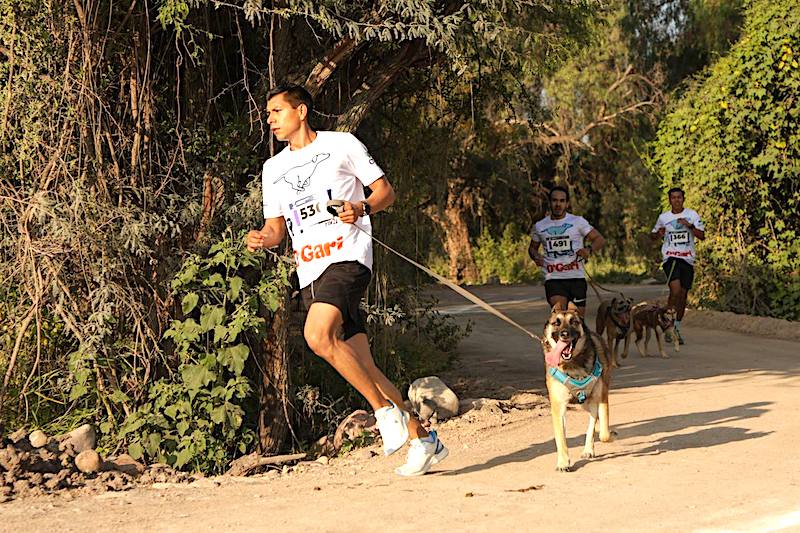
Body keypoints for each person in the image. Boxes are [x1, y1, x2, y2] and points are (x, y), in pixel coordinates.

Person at [246, 84, 447, 476]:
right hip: (310, 269)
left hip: (349, 256)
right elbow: (275, 229)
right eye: (267, 113)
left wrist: (361, 206)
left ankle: (382, 412)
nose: (269, 119)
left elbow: (384, 192)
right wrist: (262, 238)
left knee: (317, 336)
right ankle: (424, 438)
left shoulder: (342, 144)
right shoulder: (273, 169)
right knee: (363, 364)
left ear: (301, 111)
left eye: (276, 111)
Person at [528, 186, 606, 317]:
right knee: (561, 317)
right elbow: (532, 248)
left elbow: (599, 239)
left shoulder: (577, 222)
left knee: (576, 322)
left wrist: (588, 250)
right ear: (550, 203)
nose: (558, 204)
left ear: (567, 203)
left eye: (562, 201)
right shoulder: (540, 226)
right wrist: (536, 256)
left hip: (576, 278)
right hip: (554, 278)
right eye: (554, 200)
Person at [651, 187, 705, 345]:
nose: (676, 200)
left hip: (687, 259)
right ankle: (667, 323)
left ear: (683, 199)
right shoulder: (663, 217)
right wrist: (658, 234)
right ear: (669, 200)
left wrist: (689, 226)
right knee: (675, 290)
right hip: (671, 258)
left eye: (679, 197)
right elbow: (653, 236)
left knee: (683, 295)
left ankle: (676, 327)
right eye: (673, 197)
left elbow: (702, 235)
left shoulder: (692, 215)